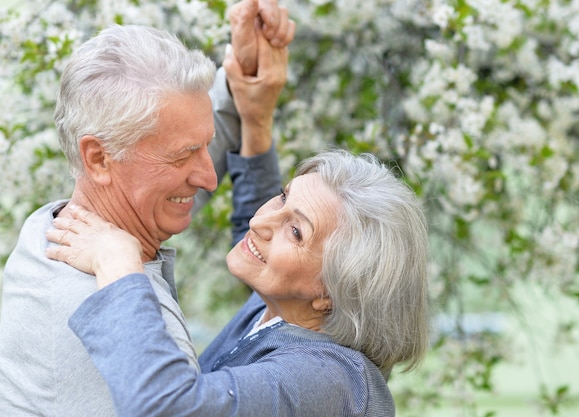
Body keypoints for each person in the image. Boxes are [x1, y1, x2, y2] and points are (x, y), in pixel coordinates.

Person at [0, 1, 295, 415]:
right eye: (184, 156)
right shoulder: (131, 333)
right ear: (100, 158)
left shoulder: (57, 224)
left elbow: (170, 137)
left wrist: (243, 78)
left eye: (205, 147)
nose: (209, 177)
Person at [46, 149, 430, 416]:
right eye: (282, 197)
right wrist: (256, 123)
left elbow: (167, 408)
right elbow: (255, 235)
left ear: (331, 292)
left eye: (295, 231)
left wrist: (117, 264)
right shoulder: (279, 309)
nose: (260, 223)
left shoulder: (335, 383)